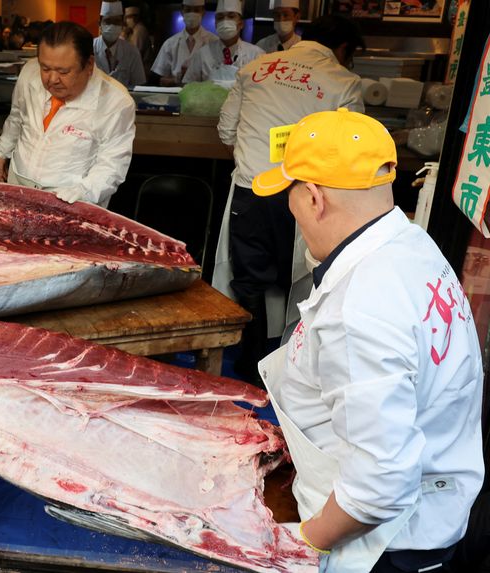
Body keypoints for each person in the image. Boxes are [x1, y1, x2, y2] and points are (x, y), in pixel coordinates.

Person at [252, 107, 484, 573]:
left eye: (291, 196)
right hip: (431, 510)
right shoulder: (411, 244)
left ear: (314, 198)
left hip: (383, 548)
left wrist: (306, 543)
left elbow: (380, 484)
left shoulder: (360, 308)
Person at [213, 14, 365, 385]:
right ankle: (291, 371)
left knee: (250, 280)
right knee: (306, 281)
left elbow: (225, 130)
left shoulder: (256, 67)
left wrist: (258, 153)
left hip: (252, 192)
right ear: (343, 50)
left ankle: (249, 366)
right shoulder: (343, 81)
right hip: (306, 198)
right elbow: (351, 150)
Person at [0, 21, 135, 208]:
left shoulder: (116, 102)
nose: (52, 79)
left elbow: (111, 165)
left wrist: (83, 192)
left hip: (71, 198)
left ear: (89, 64)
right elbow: (17, 115)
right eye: (45, 68)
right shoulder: (29, 72)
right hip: (18, 184)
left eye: (63, 71)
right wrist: (2, 151)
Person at [183, 0, 264, 85]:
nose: (225, 21)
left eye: (231, 16)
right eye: (220, 18)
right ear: (215, 24)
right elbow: (187, 86)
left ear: (241, 24)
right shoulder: (202, 55)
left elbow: (262, 89)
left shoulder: (256, 55)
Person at [150, 0, 216, 87]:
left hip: (205, 98)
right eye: (188, 10)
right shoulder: (170, 44)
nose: (192, 14)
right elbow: (159, 80)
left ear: (203, 12)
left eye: (196, 10)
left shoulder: (214, 42)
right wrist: (177, 80)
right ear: (182, 12)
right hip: (175, 97)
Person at [93, 1, 146, 89]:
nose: (112, 26)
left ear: (122, 25)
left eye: (116, 22)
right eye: (108, 21)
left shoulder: (132, 52)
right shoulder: (88, 48)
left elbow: (138, 86)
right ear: (100, 24)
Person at [122, 5, 152, 69]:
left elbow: (134, 53)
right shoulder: (133, 29)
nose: (126, 20)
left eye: (128, 17)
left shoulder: (139, 30)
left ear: (135, 18)